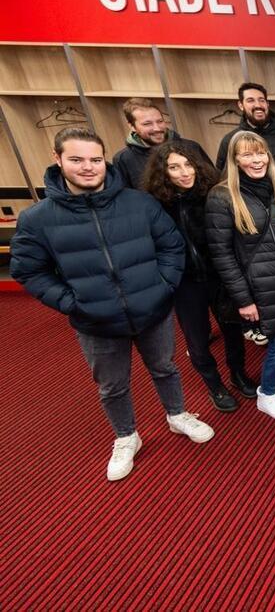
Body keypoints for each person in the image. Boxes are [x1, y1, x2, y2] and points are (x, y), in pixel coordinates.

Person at [11, 127, 213, 482]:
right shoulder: (37, 218)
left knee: (165, 367)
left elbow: (170, 246)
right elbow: (30, 271)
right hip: (95, 320)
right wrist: (73, 303)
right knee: (112, 385)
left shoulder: (139, 202)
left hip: (152, 309)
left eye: (94, 159)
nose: (88, 168)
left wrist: (163, 286)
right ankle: (126, 436)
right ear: (57, 159)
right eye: (76, 160)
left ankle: (177, 414)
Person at [143, 140, 259, 412]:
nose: (184, 172)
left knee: (232, 329)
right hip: (184, 282)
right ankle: (214, 385)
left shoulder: (212, 195)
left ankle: (238, 373)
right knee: (196, 338)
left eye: (188, 165)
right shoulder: (155, 205)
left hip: (219, 275)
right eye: (174, 167)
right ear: (164, 172)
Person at [206, 131, 275, 421]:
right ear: (235, 160)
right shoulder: (222, 197)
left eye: (260, 153)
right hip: (258, 286)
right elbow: (222, 255)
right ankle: (266, 393)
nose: (256, 160)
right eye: (247, 154)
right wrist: (243, 299)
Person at [112, 97, 210, 190]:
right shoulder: (123, 159)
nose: (157, 128)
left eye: (160, 121)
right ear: (131, 126)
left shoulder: (191, 147)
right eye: (147, 124)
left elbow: (211, 183)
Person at [215, 82, 275, 174]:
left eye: (262, 100)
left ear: (267, 104)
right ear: (241, 105)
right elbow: (222, 176)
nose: (258, 105)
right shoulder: (230, 140)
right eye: (251, 100)